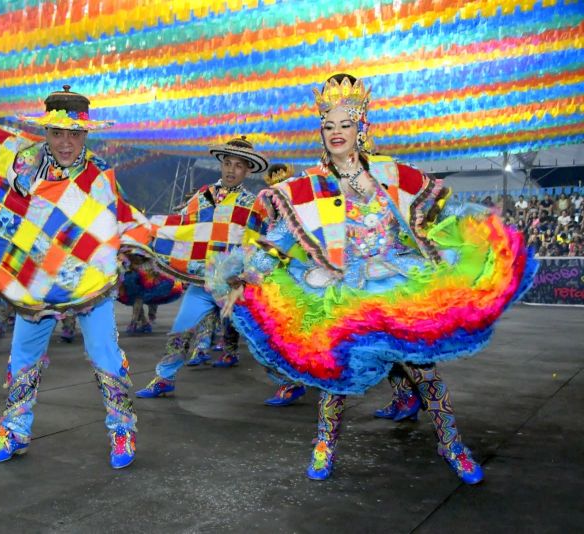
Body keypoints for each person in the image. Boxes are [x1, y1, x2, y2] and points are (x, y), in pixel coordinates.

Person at [209, 74, 536, 484]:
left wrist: (480, 228)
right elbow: (280, 238)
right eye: (328, 125)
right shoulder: (311, 184)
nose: (336, 133)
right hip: (343, 287)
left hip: (394, 280)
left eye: (344, 124)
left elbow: (437, 216)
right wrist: (246, 275)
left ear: (361, 127)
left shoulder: (390, 174)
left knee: (425, 369)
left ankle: (451, 444)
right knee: (334, 376)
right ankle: (325, 444)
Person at [0, 85, 152, 469]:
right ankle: (14, 431)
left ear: (85, 135)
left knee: (104, 354)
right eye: (57, 133)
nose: (66, 142)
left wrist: (143, 243)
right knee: (23, 356)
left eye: (74, 134)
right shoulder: (20, 161)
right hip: (35, 280)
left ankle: (121, 430)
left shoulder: (100, 176)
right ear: (46, 132)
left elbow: (123, 217)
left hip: (88, 280)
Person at [134, 136, 269, 398]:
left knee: (262, 337)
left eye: (238, 165)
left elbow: (260, 244)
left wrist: (246, 275)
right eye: (227, 163)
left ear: (247, 169)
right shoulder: (202, 197)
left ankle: (290, 380)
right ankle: (164, 378)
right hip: (202, 283)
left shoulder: (255, 205)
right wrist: (148, 231)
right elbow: (184, 228)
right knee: (181, 329)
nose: (231, 170)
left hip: (235, 286)